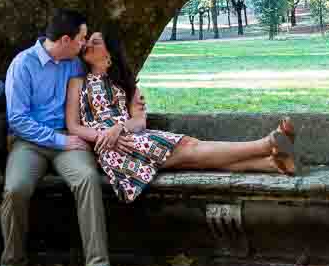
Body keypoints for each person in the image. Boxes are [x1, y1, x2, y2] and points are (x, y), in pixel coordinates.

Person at [65, 29, 296, 205]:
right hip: (114, 150)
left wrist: (118, 128)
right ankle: (266, 144)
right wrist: (103, 135)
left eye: (95, 41)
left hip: (131, 137)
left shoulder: (127, 85)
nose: (87, 44)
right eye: (87, 41)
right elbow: (73, 125)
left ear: (110, 52)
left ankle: (271, 163)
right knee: (189, 148)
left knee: (191, 154)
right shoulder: (77, 83)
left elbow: (139, 122)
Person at [0, 10, 117, 266]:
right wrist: (59, 140)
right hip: (30, 142)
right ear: (65, 39)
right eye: (82, 38)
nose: (84, 44)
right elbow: (18, 120)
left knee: (87, 178)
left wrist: (133, 104)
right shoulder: (23, 65)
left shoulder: (74, 64)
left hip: (69, 140)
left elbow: (106, 81)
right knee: (15, 188)